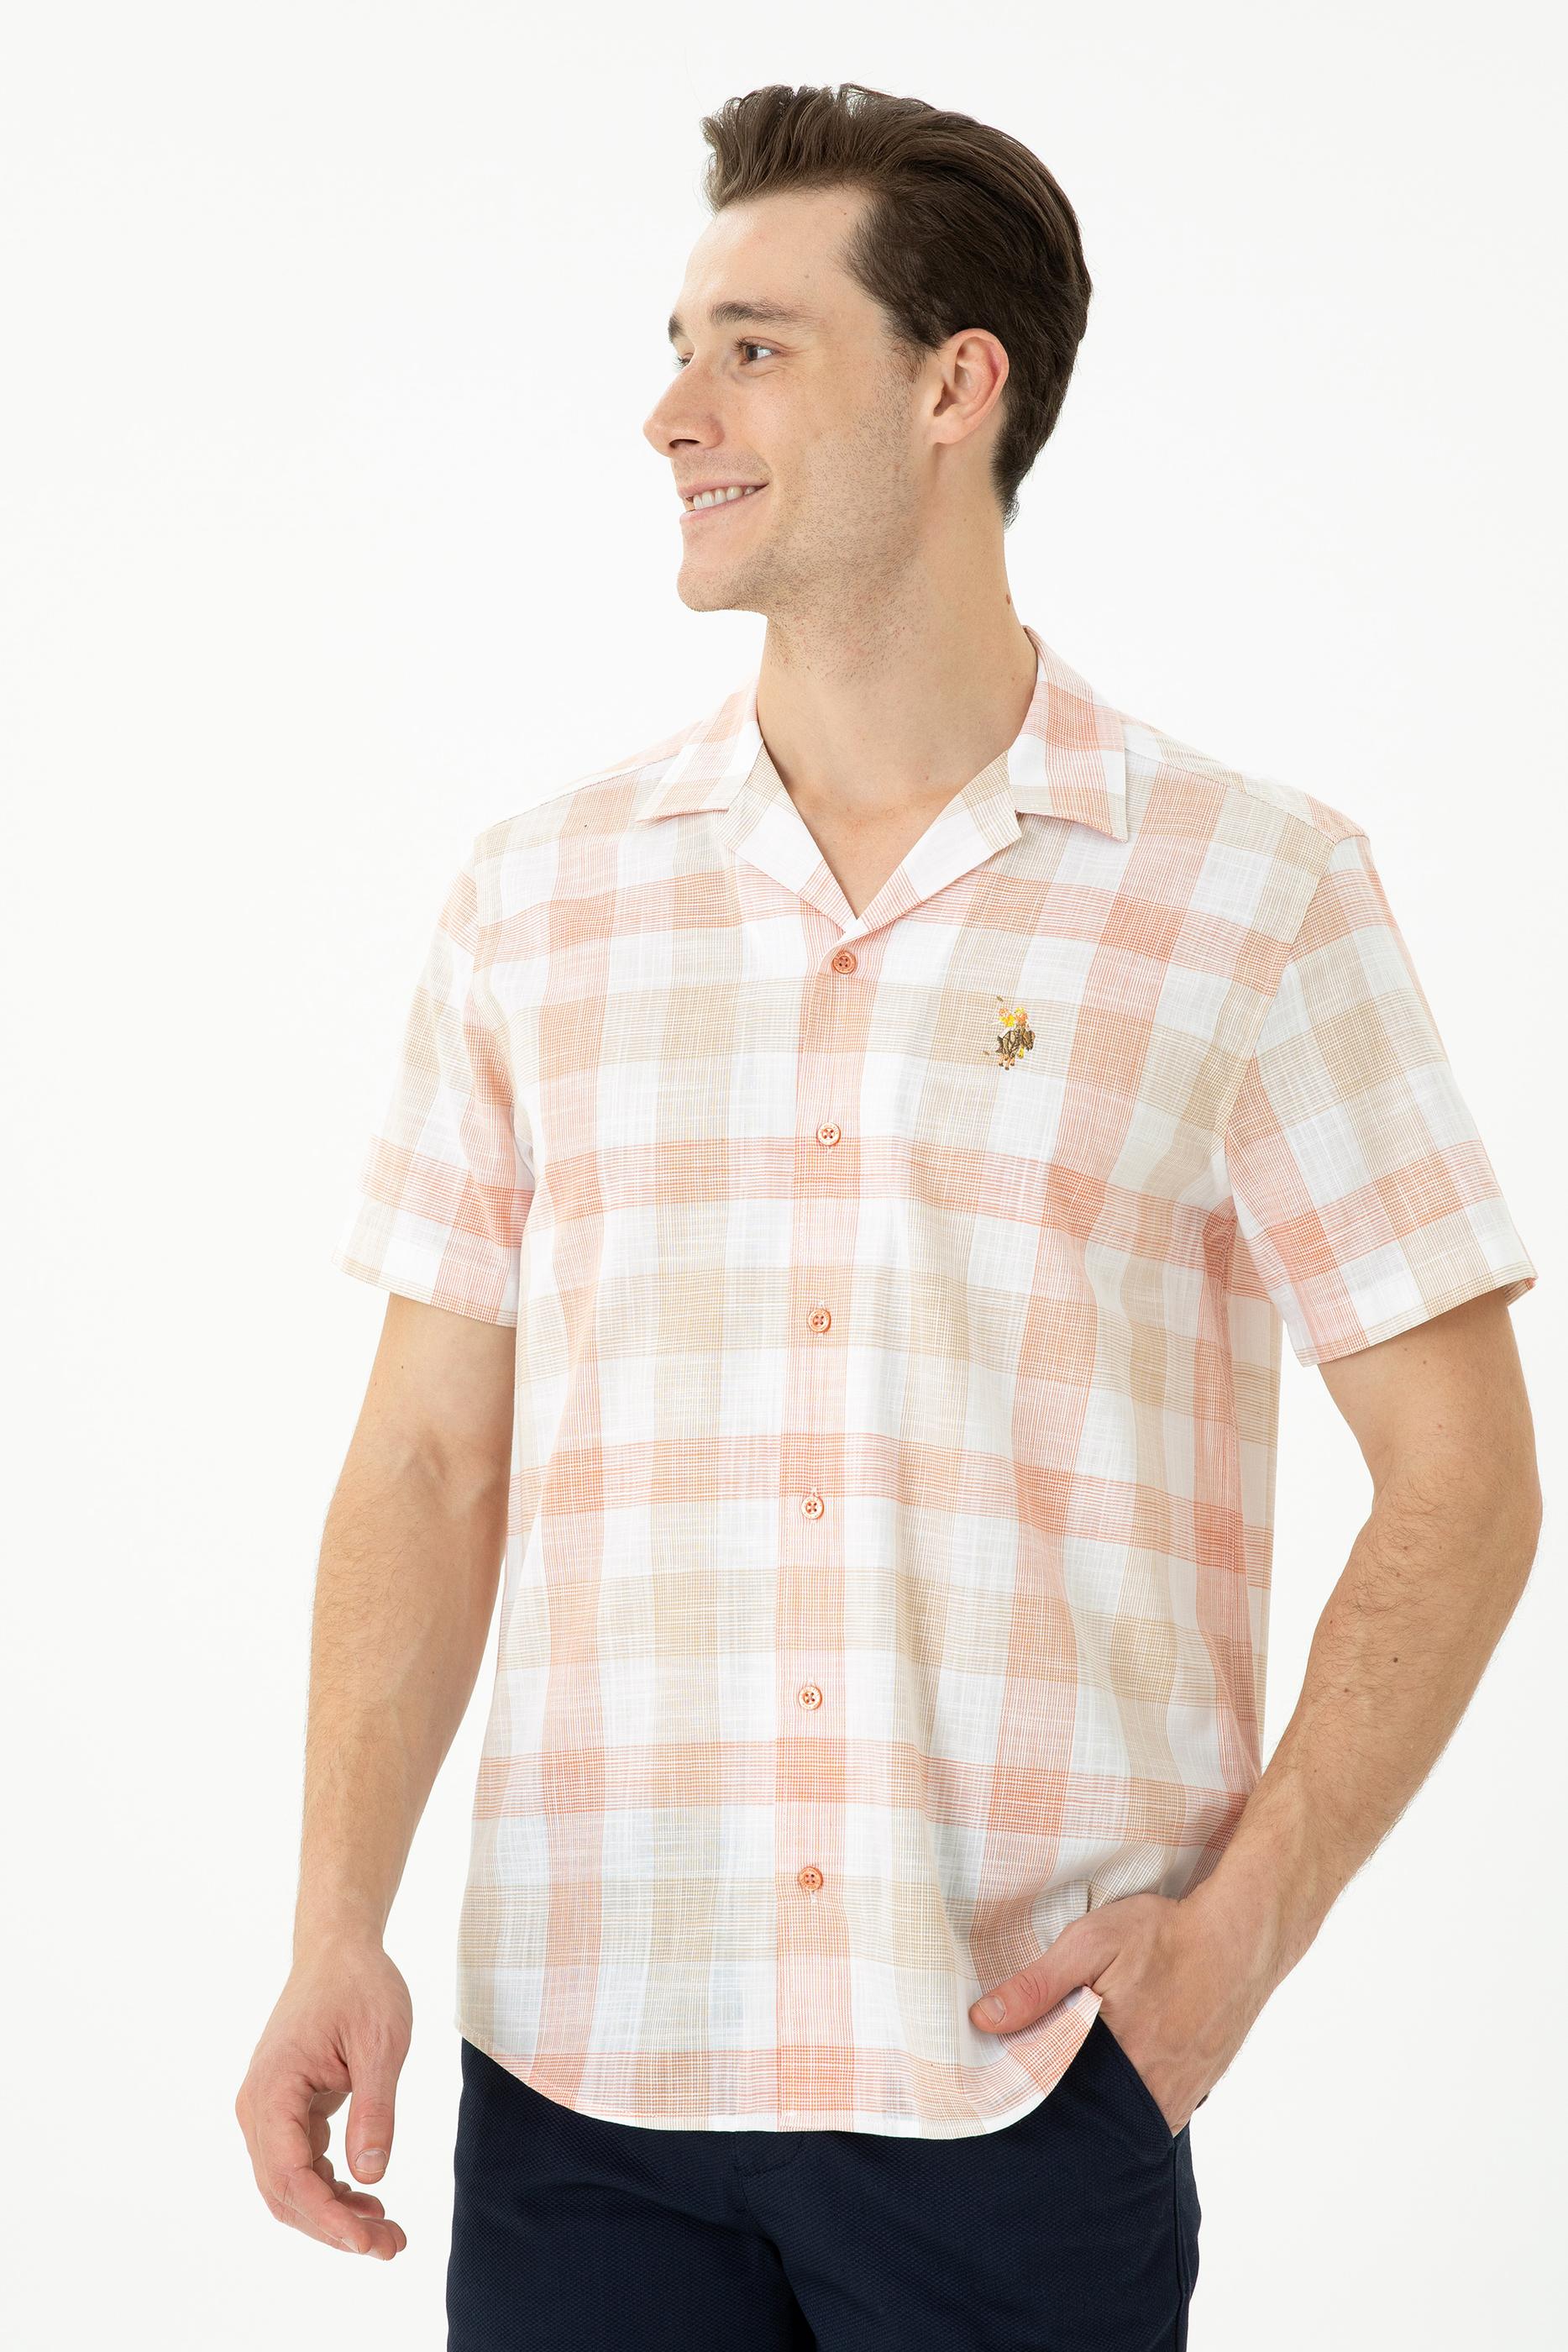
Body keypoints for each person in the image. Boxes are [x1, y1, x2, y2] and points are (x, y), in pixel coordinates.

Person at [234, 80, 1542, 2350]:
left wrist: (1237, 1941)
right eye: (678, 347)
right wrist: (333, 1918)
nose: (671, 413)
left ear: (958, 388)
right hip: (582, 2083)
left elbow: (1463, 1478)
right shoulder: (540, 904)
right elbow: (428, 1458)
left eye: (753, 348)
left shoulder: (1255, 897)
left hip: (1017, 2085)